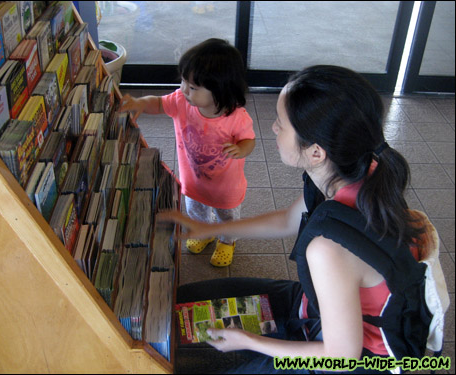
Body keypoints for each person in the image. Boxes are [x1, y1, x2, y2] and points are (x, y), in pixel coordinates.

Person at [159, 65, 429, 373]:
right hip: (315, 308)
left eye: (280, 123)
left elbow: (341, 357)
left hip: (348, 360)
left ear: (316, 152)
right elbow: (287, 219)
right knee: (180, 304)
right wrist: (211, 227)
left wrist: (248, 341)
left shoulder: (327, 249)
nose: (273, 128)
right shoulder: (358, 169)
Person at [122, 38, 255, 267]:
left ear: (220, 89)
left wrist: (240, 149)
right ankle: (204, 232)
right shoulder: (182, 102)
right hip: (193, 179)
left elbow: (249, 141)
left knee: (227, 216)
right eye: (183, 81)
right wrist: (141, 102)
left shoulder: (236, 117)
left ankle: (227, 240)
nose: (184, 90)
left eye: (193, 87)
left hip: (226, 186)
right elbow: (159, 103)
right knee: (195, 209)